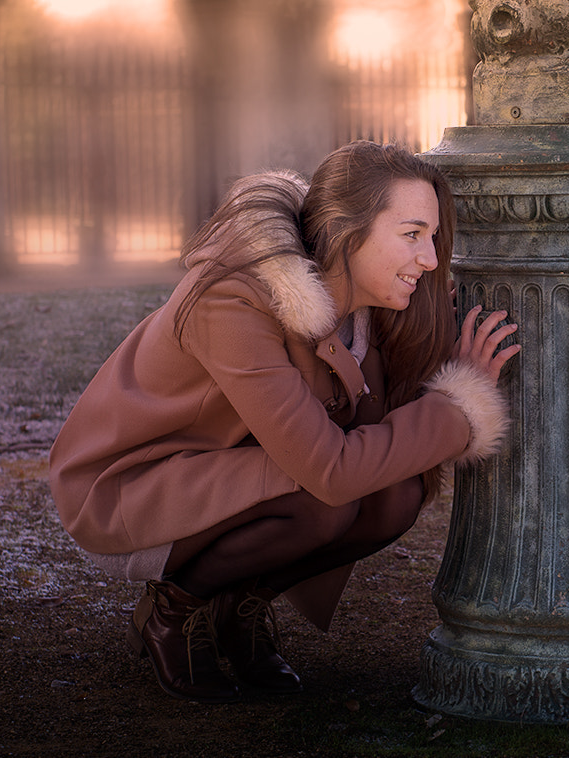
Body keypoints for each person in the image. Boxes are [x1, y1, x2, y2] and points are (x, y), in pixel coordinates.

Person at [50, 141, 520, 704]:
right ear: (348, 232)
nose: (428, 258)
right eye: (412, 234)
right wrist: (458, 406)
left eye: (433, 239)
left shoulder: (357, 301)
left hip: (235, 465)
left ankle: (234, 607)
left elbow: (369, 435)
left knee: (396, 494)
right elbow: (331, 469)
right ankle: (173, 612)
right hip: (132, 483)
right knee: (327, 499)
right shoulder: (235, 298)